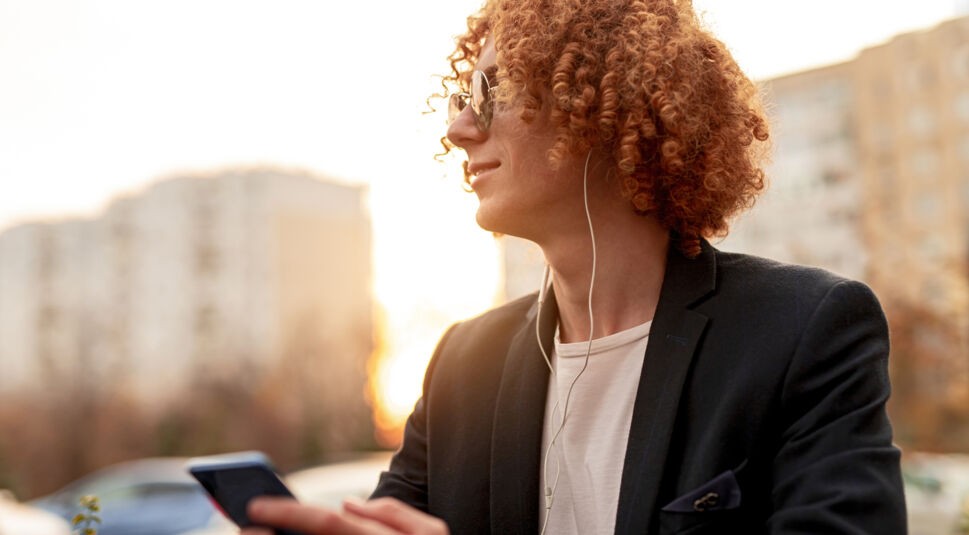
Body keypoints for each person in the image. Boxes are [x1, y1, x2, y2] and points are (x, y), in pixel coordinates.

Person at [243, 0, 907, 533]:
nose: (458, 129)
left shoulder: (804, 331)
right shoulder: (461, 363)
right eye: (459, 98)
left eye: (492, 91)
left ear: (600, 102)